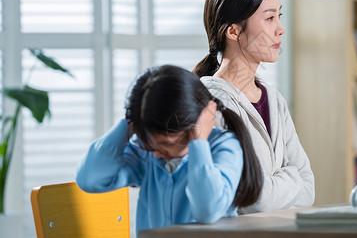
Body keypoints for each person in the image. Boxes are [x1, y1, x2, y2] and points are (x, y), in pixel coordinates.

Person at [76, 65, 262, 232]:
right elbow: (90, 179)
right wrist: (128, 122)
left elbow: (207, 210)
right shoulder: (146, 153)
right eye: (150, 145)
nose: (156, 153)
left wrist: (198, 143)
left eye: (166, 144)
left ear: (195, 123)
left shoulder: (223, 147)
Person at [193, 0, 315, 214]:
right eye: (269, 18)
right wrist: (291, 175)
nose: (281, 29)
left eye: (279, 16)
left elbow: (308, 190)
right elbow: (252, 199)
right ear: (233, 31)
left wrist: (273, 185)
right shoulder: (210, 103)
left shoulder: (274, 100)